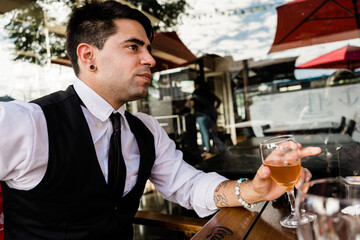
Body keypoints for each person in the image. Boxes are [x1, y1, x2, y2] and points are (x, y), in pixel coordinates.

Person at [0, 1, 321, 239]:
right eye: (133, 47)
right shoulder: (27, 123)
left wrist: (253, 189)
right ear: (88, 56)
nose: (150, 59)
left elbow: (189, 185)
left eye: (148, 48)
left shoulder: (145, 130)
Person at [191, 81, 224, 155]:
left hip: (200, 114)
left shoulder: (196, 93)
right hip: (210, 115)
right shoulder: (209, 93)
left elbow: (192, 104)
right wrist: (215, 108)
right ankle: (217, 148)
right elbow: (219, 101)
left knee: (204, 132)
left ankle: (206, 149)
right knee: (213, 132)